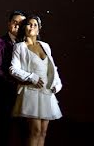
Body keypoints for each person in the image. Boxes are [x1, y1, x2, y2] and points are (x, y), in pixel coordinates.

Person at [9, 15, 62, 146]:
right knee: (35, 131)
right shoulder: (20, 46)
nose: (32, 26)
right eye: (29, 24)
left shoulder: (45, 46)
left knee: (43, 132)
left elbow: (52, 68)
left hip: (46, 92)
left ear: (38, 30)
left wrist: (57, 84)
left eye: (35, 24)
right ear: (24, 28)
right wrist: (31, 77)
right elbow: (13, 69)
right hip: (31, 92)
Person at [0, 10, 26, 146]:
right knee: (4, 134)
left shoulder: (28, 45)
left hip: (25, 97)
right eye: (14, 22)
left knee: (26, 134)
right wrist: (12, 84)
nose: (17, 25)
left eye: (21, 23)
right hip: (6, 96)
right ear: (9, 24)